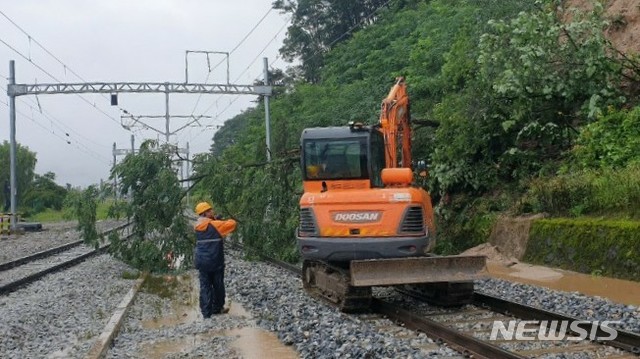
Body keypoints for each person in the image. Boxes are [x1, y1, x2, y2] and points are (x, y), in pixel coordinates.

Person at [193, 201, 237, 318]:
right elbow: (232, 224)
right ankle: (217, 308)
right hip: (215, 261)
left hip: (201, 261)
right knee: (218, 285)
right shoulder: (216, 225)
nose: (212, 211)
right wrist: (219, 220)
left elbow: (207, 226)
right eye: (210, 210)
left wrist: (213, 220)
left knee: (205, 286)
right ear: (205, 213)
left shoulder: (197, 226)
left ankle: (206, 313)